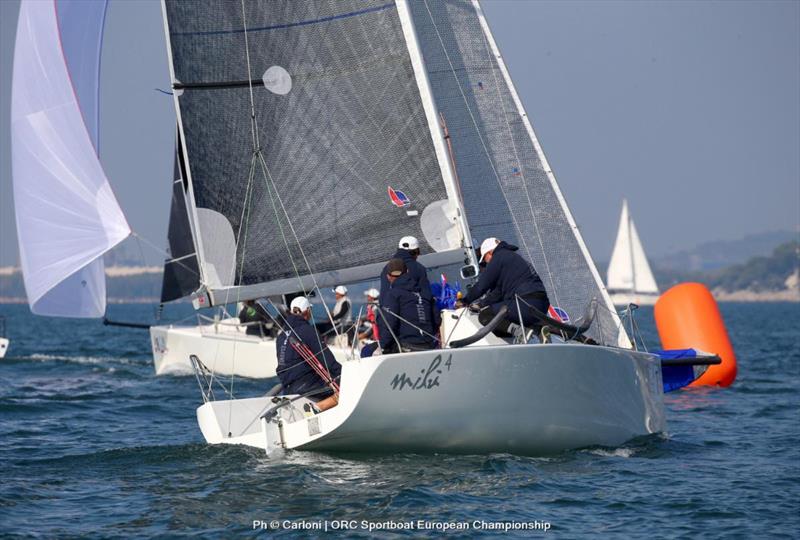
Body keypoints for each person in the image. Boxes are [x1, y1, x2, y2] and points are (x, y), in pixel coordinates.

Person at [460, 237, 550, 339]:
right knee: (500, 325)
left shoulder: (498, 257)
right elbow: (498, 294)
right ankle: (537, 330)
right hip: (542, 306)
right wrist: (480, 304)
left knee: (485, 316)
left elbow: (481, 286)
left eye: (485, 259)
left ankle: (520, 332)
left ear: (489, 253)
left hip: (525, 304)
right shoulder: (513, 258)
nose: (486, 264)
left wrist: (465, 301)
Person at [277, 296, 341, 412]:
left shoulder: (281, 336)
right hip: (307, 386)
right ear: (307, 311)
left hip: (287, 388)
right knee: (347, 387)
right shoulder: (308, 330)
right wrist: (343, 374)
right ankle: (317, 408)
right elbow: (326, 359)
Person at [376, 259, 437, 354]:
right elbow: (437, 320)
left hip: (406, 347)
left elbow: (389, 324)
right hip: (429, 346)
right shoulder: (425, 293)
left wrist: (382, 346)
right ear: (407, 272)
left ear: (388, 277)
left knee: (366, 351)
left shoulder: (393, 295)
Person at [380, 236, 432, 303]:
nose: (418, 255)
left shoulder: (387, 268)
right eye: (418, 251)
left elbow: (384, 293)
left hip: (387, 310)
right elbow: (426, 295)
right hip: (411, 310)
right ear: (414, 252)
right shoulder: (418, 268)